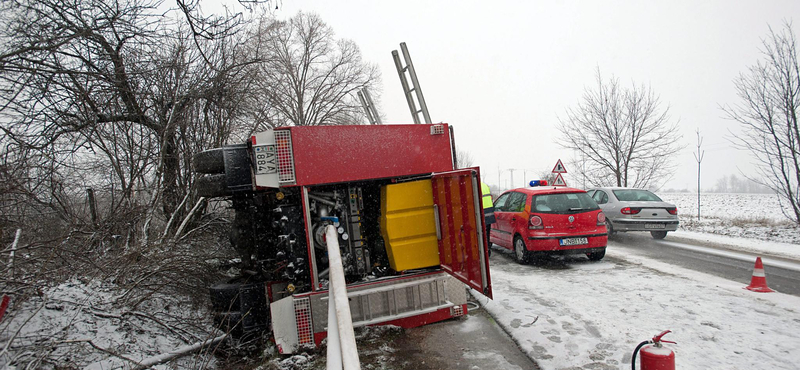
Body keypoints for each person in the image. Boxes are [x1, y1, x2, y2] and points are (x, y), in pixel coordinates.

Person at [480, 182, 495, 257]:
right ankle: (487, 250)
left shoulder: (474, 184)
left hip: (482, 212)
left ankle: (484, 252)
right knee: (487, 233)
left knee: (481, 234)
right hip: (489, 212)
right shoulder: (485, 185)